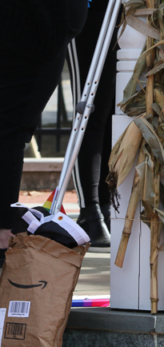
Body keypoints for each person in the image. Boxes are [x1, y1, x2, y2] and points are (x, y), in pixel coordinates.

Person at [0, 0, 89, 267]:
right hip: (31, 21)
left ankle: (1, 235)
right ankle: (3, 238)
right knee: (9, 130)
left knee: (2, 126)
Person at [67, 0, 116, 250]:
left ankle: (107, 205)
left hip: (127, 12)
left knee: (115, 112)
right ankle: (90, 210)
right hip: (89, 10)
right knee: (89, 110)